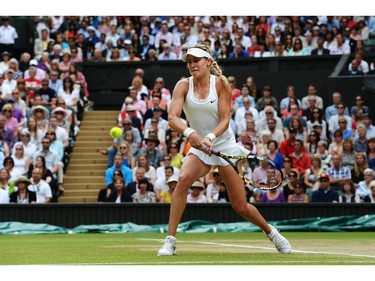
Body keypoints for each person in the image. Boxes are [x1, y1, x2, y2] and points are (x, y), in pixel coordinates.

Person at [158, 43, 291, 256]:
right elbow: (173, 118)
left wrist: (210, 137)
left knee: (240, 205)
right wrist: (190, 134)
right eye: (189, 61)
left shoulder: (221, 84)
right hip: (199, 147)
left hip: (225, 146)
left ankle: (272, 233)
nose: (192, 65)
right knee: (182, 180)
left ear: (208, 62)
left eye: (197, 60)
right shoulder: (182, 85)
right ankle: (170, 241)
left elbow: (225, 119)